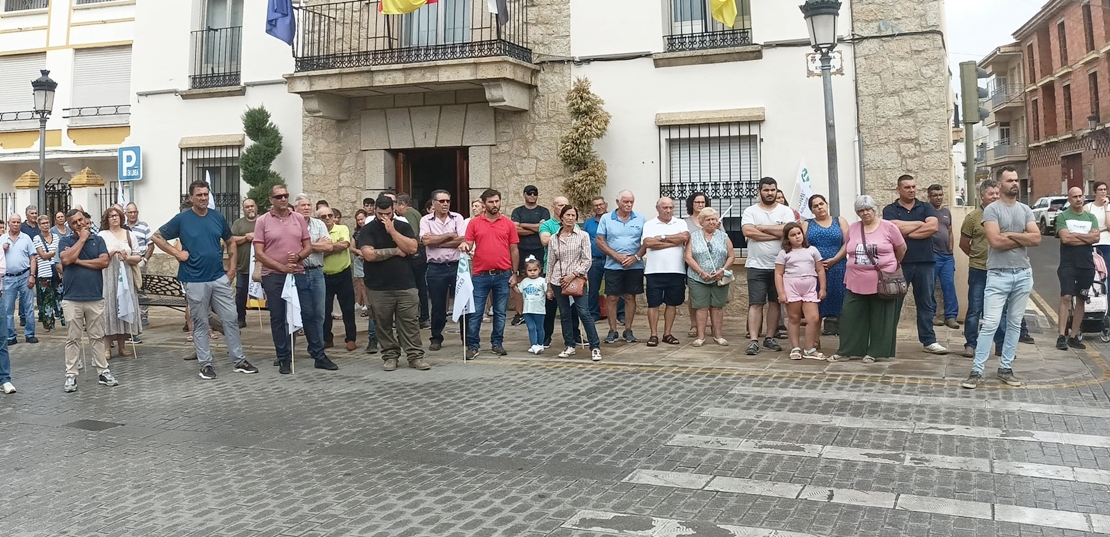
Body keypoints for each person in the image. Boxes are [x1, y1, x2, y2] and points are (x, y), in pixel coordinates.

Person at [152, 181, 257, 379]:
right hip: (194, 279)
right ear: (191, 198)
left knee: (231, 319)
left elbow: (230, 241)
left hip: (219, 278)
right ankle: (205, 364)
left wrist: (232, 269)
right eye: (199, 195)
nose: (203, 198)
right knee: (200, 323)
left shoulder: (217, 217)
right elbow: (156, 237)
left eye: (206, 194)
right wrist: (176, 252)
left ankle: (239, 360)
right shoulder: (182, 219)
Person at [962, 169, 1040, 389]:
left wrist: (1011, 235)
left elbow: (1037, 238)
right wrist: (1023, 237)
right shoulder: (992, 210)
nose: (1015, 183)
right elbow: (995, 242)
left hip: (1023, 274)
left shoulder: (1025, 209)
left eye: (1016, 180)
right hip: (998, 274)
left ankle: (1005, 368)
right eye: (1010, 180)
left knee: (1014, 324)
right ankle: (977, 370)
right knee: (990, 324)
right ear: (1000, 183)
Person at [254, 185, 339, 374]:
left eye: (285, 195)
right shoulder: (263, 221)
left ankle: (319, 355)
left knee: (308, 314)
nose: (283, 199)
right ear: (271, 200)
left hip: (297, 273)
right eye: (278, 196)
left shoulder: (298, 218)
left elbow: (307, 245)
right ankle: (283, 357)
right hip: (273, 275)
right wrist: (281, 266)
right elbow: (259, 253)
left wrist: (299, 256)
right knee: (278, 317)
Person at [829, 196, 907, 363]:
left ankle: (875, 352)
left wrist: (891, 265)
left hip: (882, 281)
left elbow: (901, 249)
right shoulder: (853, 228)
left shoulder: (889, 227)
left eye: (868, 209)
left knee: (881, 317)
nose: (865, 213)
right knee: (851, 316)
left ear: (874, 209)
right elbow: (848, 247)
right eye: (861, 210)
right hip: (855, 280)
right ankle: (848, 350)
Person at [358, 195, 428, 371]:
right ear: (374, 210)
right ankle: (390, 356)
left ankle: (415, 357)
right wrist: (396, 251)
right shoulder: (368, 230)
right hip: (378, 287)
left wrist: (392, 232)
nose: (384, 218)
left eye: (388, 214)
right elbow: (368, 254)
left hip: (405, 284)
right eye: (381, 214)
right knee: (383, 324)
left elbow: (412, 248)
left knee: (410, 323)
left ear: (393, 210)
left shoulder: (402, 226)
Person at [883, 174, 947, 354]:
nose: (911, 190)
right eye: (907, 187)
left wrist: (906, 232)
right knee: (894, 302)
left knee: (926, 302)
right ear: (898, 189)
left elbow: (933, 227)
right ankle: (887, 340)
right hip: (900, 263)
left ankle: (929, 341)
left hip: (925, 263)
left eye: (913, 187)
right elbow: (891, 228)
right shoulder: (890, 209)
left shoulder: (925, 206)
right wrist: (919, 224)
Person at [59, 208, 117, 393]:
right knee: (73, 338)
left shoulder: (98, 240)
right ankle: (71, 374)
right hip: (72, 298)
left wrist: (78, 261)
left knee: (97, 337)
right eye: (74, 222)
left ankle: (103, 371)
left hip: (94, 296)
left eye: (81, 220)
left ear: (86, 219)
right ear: (69, 225)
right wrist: (82, 240)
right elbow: (66, 259)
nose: (79, 224)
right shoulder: (65, 241)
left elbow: (104, 262)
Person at [459, 189, 520, 360]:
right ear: (484, 203)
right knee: (476, 312)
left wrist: (514, 273)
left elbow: (514, 249)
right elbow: (469, 243)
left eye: (497, 201)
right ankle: (473, 346)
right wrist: (464, 245)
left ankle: (497, 343)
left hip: (503, 274)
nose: (495, 205)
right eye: (491, 202)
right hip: (480, 274)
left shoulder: (508, 224)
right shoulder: (474, 223)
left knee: (500, 312)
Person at [741, 177, 796, 355]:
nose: (769, 193)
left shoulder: (785, 211)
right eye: (766, 190)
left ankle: (770, 338)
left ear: (776, 190)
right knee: (755, 304)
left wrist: (762, 228)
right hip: (756, 265)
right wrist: (776, 233)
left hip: (779, 266)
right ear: (759, 191)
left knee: (774, 304)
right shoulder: (750, 211)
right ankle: (754, 340)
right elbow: (748, 231)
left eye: (772, 190)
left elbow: (788, 230)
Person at [546, 204, 602, 361]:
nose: (570, 218)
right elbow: (550, 262)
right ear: (561, 217)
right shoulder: (553, 238)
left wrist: (573, 274)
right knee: (564, 314)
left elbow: (587, 260)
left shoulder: (582, 236)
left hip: (577, 279)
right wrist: (549, 285)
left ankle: (595, 346)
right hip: (558, 280)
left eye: (573, 216)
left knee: (583, 312)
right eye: (567, 215)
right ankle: (569, 344)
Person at [596, 190, 646, 344]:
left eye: (631, 201)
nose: (629, 205)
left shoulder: (640, 218)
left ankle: (628, 330)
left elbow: (647, 241)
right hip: (613, 266)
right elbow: (599, 240)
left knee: (631, 297)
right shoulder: (606, 218)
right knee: (612, 298)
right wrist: (616, 256)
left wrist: (636, 257)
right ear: (618, 202)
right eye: (625, 202)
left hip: (634, 265)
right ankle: (612, 330)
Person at [639, 197, 689, 347]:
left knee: (671, 303)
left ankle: (667, 333)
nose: (668, 210)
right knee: (653, 304)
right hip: (654, 271)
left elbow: (685, 237)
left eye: (671, 207)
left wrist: (661, 238)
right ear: (658, 209)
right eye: (665, 208)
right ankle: (653, 334)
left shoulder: (680, 223)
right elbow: (648, 243)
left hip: (676, 270)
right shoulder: (649, 224)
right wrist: (673, 242)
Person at [419, 189, 465, 351]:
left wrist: (437, 241)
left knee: (463, 303)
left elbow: (463, 239)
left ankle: (465, 337)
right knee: (438, 306)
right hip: (435, 268)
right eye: (442, 201)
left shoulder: (457, 218)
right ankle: (436, 338)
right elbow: (426, 241)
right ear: (434, 203)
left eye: (447, 201)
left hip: (456, 266)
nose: (445, 204)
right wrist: (449, 236)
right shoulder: (426, 220)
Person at [1055, 186, 1100, 350]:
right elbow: (1065, 239)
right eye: (1074, 196)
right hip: (1068, 264)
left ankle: (1074, 336)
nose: (1078, 199)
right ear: (1069, 199)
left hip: (1086, 265)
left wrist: (1076, 236)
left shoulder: (1091, 217)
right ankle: (1061, 335)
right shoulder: (1062, 216)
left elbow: (1096, 237)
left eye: (1080, 196)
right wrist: (1086, 237)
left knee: (1081, 299)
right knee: (1066, 297)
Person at [775, 222, 827, 360]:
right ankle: (795, 348)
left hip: (809, 287)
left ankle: (809, 348)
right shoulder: (784, 253)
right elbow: (778, 273)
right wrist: (781, 293)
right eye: (793, 235)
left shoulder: (812, 250)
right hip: (791, 286)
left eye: (799, 233)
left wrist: (822, 288)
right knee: (794, 318)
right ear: (787, 238)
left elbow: (820, 269)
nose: (797, 237)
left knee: (813, 318)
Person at [685, 207, 735, 347]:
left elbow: (731, 256)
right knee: (701, 307)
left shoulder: (723, 236)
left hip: (719, 277)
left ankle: (718, 335)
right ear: (701, 222)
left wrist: (723, 269)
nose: (712, 222)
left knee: (717, 307)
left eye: (714, 219)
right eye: (708, 219)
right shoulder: (693, 236)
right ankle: (701, 336)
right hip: (698, 277)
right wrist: (701, 272)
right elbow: (688, 257)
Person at [294, 195, 336, 361]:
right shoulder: (292, 225)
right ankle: (288, 351)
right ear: (296, 208)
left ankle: (316, 349)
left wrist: (306, 246)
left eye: (308, 205)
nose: (306, 207)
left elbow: (329, 246)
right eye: (302, 205)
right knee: (296, 312)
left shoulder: (319, 224)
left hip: (317, 272)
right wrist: (314, 245)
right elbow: (291, 247)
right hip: (298, 272)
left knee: (319, 313)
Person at [97, 206, 141, 359]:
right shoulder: (102, 235)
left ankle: (122, 346)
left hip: (125, 276)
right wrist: (111, 253)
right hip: (108, 276)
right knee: (110, 309)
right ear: (106, 219)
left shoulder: (129, 234)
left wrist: (127, 258)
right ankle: (107, 348)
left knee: (125, 306)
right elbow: (99, 256)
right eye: (111, 216)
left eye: (117, 215)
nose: (114, 218)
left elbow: (138, 256)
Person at [802, 194, 847, 335]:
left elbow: (848, 242)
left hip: (838, 267)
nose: (819, 207)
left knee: (842, 304)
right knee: (817, 305)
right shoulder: (807, 224)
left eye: (821, 204)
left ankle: (846, 342)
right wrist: (816, 262)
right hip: (815, 269)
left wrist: (834, 259)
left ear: (826, 204)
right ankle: (814, 340)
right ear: (811, 210)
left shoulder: (840, 221)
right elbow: (802, 245)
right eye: (815, 206)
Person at [539, 196, 578, 347]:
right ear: (553, 207)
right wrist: (564, 235)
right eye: (560, 205)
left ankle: (575, 335)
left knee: (573, 307)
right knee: (551, 306)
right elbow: (544, 240)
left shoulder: (575, 226)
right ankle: (547, 336)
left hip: (571, 273)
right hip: (553, 270)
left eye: (566, 205)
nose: (563, 208)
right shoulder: (547, 225)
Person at [319, 206, 358, 351]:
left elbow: (344, 245)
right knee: (325, 310)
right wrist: (331, 247)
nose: (328, 218)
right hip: (324, 276)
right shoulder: (317, 232)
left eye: (331, 215)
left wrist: (324, 248)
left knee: (347, 309)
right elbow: (312, 251)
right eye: (324, 216)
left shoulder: (342, 229)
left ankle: (351, 338)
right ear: (319, 219)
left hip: (342, 274)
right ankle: (327, 338)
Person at [510, 185, 549, 327]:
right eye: (530, 193)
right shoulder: (517, 211)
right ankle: (520, 314)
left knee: (540, 281)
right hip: (521, 250)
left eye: (535, 193)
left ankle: (539, 311)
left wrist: (524, 226)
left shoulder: (543, 211)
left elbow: (542, 228)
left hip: (539, 250)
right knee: (520, 281)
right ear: (524, 195)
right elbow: (515, 229)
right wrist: (535, 228)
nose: (532, 196)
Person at [583, 196, 623, 324]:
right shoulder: (588, 223)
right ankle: (593, 314)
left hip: (612, 260)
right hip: (595, 260)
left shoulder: (614, 219)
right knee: (593, 289)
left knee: (617, 288)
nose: (599, 207)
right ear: (593, 207)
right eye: (596, 205)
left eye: (601, 204)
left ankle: (621, 314)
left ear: (605, 205)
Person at [2, 214, 38, 345]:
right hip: (8, 278)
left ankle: (30, 334)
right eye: (13, 222)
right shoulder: (2, 239)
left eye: (18, 222)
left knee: (28, 307)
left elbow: (33, 258)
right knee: (8, 309)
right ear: (8, 223)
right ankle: (10, 336)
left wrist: (32, 275)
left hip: (25, 276)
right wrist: (2, 249)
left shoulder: (26, 238)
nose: (16, 224)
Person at [927, 184, 959, 329]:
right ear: (929, 197)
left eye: (940, 195)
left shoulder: (946, 212)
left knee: (949, 286)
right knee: (930, 286)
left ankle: (951, 317)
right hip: (933, 255)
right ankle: (932, 315)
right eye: (935, 195)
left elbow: (950, 231)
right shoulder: (926, 211)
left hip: (947, 256)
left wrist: (951, 248)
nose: (938, 198)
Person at [395, 194, 430, 328]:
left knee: (416, 286)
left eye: (396, 205)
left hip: (415, 253)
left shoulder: (409, 215)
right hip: (419, 252)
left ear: (402, 205)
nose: (396, 210)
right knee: (420, 286)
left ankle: (422, 317)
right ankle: (423, 317)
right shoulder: (415, 213)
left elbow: (412, 233)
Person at [683, 192, 710, 336]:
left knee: (713, 295)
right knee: (694, 296)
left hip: (712, 264)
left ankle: (710, 324)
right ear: (691, 204)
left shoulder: (714, 221)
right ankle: (694, 324)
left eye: (703, 202)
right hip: (693, 263)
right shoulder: (685, 223)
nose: (700, 205)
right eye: (697, 202)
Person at [230, 198, 259, 328]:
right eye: (247, 207)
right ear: (243, 209)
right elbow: (231, 240)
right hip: (243, 266)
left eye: (252, 206)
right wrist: (246, 237)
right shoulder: (238, 223)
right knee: (241, 294)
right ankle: (240, 318)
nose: (250, 209)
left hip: (262, 266)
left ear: (256, 207)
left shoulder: (263, 221)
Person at [32, 215, 63, 331]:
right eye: (43, 223)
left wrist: (51, 254)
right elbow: (42, 255)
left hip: (56, 271)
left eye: (47, 222)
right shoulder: (36, 238)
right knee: (46, 299)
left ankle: (63, 320)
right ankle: (48, 324)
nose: (45, 225)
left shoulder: (56, 237)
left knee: (60, 296)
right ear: (39, 226)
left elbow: (59, 253)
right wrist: (52, 253)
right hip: (43, 273)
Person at [125, 202, 153, 328]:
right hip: (126, 263)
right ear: (126, 213)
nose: (132, 214)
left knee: (141, 289)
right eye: (130, 212)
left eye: (134, 212)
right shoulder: (123, 227)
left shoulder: (144, 226)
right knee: (127, 289)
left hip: (140, 262)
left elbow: (151, 244)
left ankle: (143, 315)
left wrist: (145, 260)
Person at [517, 256, 547, 354]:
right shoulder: (525, 281)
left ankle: (540, 344)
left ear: (539, 270)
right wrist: (513, 286)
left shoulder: (543, 281)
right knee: (531, 327)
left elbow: (548, 292)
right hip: (527, 310)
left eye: (535, 270)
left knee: (539, 327)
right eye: (530, 270)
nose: (533, 272)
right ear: (526, 271)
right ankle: (534, 345)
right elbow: (519, 291)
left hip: (539, 309)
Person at [1086, 181, 1110, 273]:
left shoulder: (1108, 207)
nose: (1103, 192)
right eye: (1100, 190)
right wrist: (1104, 228)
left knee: (1107, 272)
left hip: (1107, 244)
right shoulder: (1088, 207)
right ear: (1095, 192)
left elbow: (1109, 226)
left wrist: (1106, 208)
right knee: (1095, 273)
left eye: (1105, 189)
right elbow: (1088, 229)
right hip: (1093, 244)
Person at [352, 209, 369, 316]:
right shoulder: (356, 233)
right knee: (361, 283)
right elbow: (351, 247)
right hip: (359, 259)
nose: (360, 222)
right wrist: (358, 252)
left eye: (362, 219)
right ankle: (366, 304)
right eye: (358, 220)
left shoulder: (370, 231)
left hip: (368, 259)